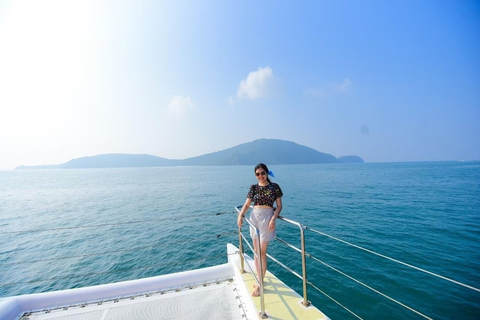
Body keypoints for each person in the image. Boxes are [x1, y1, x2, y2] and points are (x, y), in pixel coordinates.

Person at [237, 163, 283, 297]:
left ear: (267, 173)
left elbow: (279, 206)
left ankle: (260, 285)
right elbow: (247, 204)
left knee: (262, 252)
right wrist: (240, 215)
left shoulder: (275, 187)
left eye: (262, 173)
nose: (260, 176)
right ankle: (259, 280)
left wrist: (274, 218)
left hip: (267, 219)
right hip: (254, 218)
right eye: (257, 174)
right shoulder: (253, 187)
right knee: (256, 252)